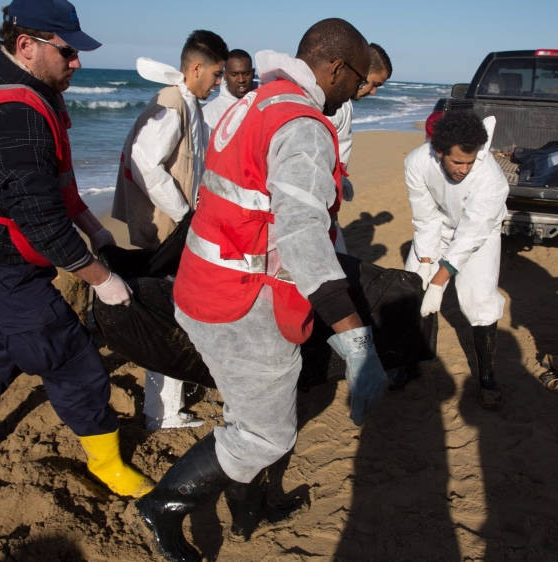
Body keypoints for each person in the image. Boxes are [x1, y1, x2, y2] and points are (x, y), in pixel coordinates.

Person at [129, 19, 388, 561]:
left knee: (256, 412)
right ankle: (164, 506)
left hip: (205, 281)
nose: (356, 92)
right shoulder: (302, 124)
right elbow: (299, 234)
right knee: (268, 434)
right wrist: (354, 335)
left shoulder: (260, 99)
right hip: (242, 299)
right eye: (359, 79)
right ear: (336, 67)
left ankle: (249, 511)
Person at [0, 0, 154, 498]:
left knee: (10, 346)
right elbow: (41, 223)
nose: (77, 63)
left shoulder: (36, 93)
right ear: (27, 46)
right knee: (70, 356)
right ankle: (107, 466)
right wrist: (102, 279)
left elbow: (56, 187)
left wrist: (93, 227)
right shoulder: (15, 114)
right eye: (68, 52)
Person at [112, 30, 227, 432]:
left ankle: (166, 405)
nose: (218, 82)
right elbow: (146, 163)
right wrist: (184, 215)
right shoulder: (172, 102)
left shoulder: (188, 102)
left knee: (174, 313)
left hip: (174, 228)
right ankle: (160, 412)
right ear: (196, 68)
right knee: (168, 316)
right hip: (164, 231)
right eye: (216, 74)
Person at [403, 111, 509, 405]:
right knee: (412, 288)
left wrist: (440, 280)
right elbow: (425, 217)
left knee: (478, 301)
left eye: (470, 162)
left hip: (480, 234)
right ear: (439, 152)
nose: (464, 169)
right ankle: (410, 363)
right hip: (440, 228)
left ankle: (486, 378)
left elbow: (473, 232)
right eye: (457, 162)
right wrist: (426, 262)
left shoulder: (490, 178)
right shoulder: (417, 162)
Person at [328, 43, 392, 252]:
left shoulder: (343, 103)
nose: (373, 92)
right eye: (374, 84)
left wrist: (342, 179)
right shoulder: (334, 104)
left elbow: (340, 146)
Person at [202, 49, 256, 132]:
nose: (241, 80)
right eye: (234, 74)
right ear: (225, 75)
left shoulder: (265, 103)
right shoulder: (209, 115)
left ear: (253, 73)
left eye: (246, 73)